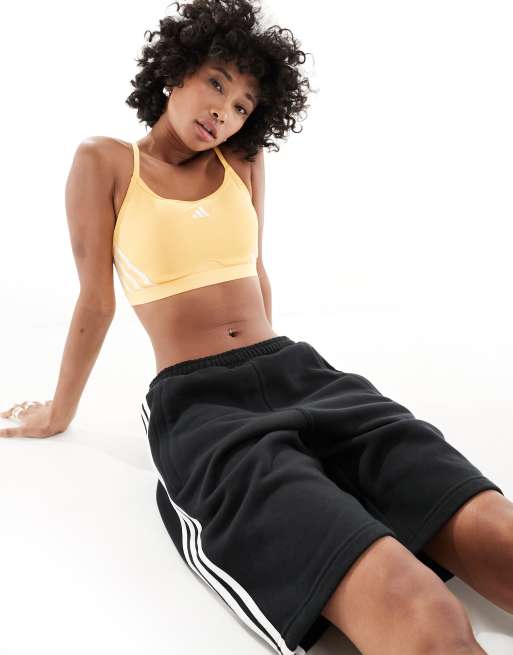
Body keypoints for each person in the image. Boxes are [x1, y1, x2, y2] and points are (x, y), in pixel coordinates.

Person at [2, 1, 512, 654]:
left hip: (301, 372)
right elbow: (95, 302)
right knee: (422, 607)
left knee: (497, 531)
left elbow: (255, 270)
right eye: (216, 84)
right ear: (175, 71)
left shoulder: (242, 160)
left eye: (243, 105)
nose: (225, 112)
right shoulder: (105, 161)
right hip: (202, 404)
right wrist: (58, 411)